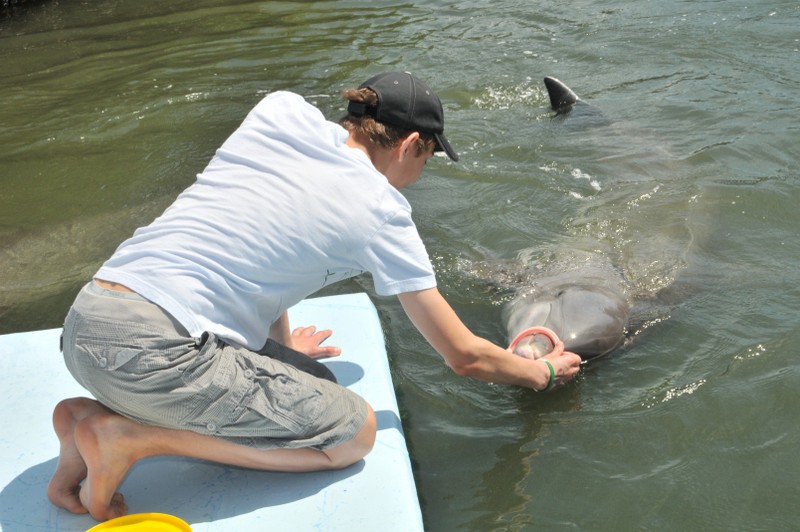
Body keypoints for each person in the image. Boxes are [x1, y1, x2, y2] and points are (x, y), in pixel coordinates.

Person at [47, 71, 583, 522]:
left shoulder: (279, 114)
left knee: (315, 383)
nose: (418, 176)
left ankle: (83, 426)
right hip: (157, 354)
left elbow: (264, 230)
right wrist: (544, 373)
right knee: (352, 431)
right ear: (411, 145)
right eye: (428, 159)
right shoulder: (381, 212)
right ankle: (132, 437)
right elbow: (463, 356)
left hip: (88, 324)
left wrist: (281, 347)